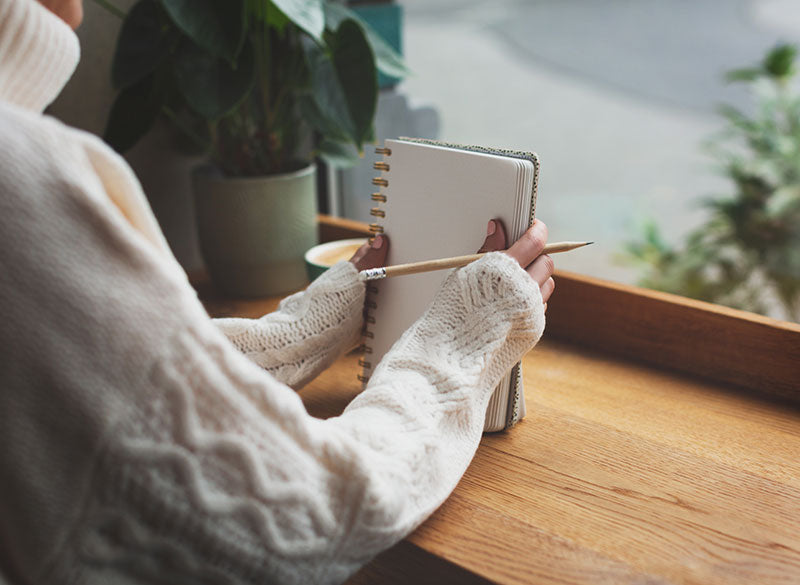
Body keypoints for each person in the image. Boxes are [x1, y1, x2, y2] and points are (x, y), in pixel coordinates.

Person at [0, 0, 556, 583]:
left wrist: (303, 331)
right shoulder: (17, 181)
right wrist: (463, 340)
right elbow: (305, 515)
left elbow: (106, 382)